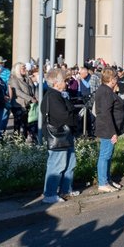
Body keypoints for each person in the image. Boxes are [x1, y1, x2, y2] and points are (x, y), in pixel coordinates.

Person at [41, 68, 82, 203]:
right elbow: (63, 116)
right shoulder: (52, 96)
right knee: (56, 165)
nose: (66, 83)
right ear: (56, 83)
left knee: (70, 162)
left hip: (65, 133)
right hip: (57, 135)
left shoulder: (59, 94)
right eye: (64, 81)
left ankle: (66, 189)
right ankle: (50, 194)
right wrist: (76, 117)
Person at [93, 68, 124, 193]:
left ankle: (107, 179)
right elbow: (106, 113)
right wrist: (113, 132)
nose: (117, 80)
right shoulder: (105, 92)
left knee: (108, 156)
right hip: (107, 128)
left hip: (108, 127)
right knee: (105, 156)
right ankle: (103, 182)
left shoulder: (106, 90)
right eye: (116, 78)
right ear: (112, 79)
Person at [8, 62, 37, 138]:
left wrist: (35, 97)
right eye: (23, 68)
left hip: (28, 104)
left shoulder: (27, 78)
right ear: (18, 69)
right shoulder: (13, 79)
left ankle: (25, 138)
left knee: (26, 124)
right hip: (18, 105)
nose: (25, 69)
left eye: (25, 67)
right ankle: (16, 140)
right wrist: (30, 98)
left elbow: (33, 88)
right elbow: (17, 92)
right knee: (18, 124)